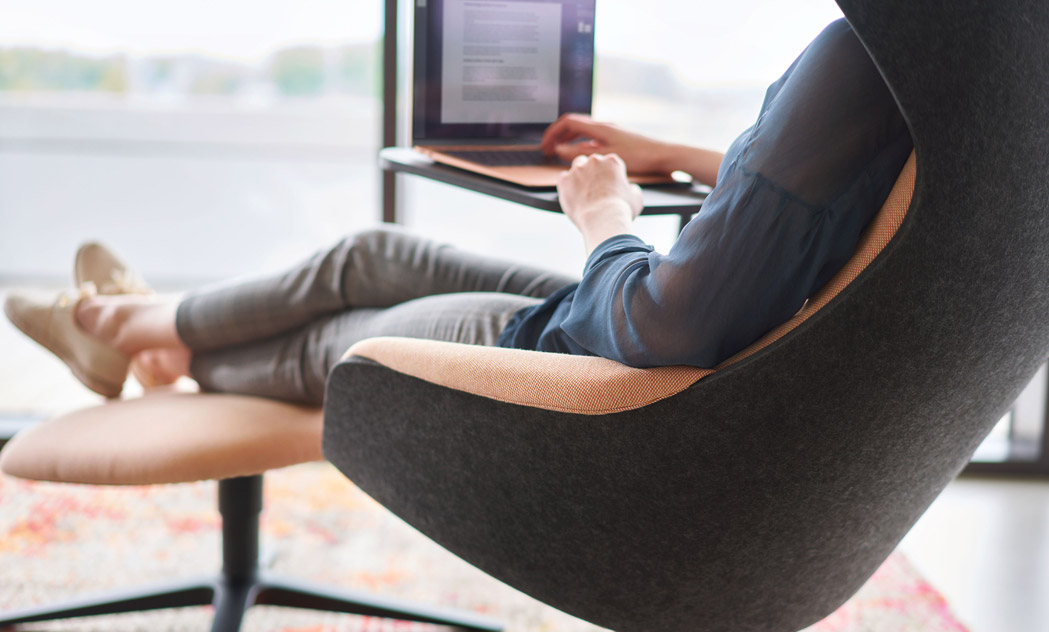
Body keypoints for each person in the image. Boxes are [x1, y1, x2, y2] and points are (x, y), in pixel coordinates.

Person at [4, 18, 912, 407]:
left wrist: (603, 214)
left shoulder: (852, 55)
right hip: (646, 330)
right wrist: (669, 155)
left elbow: (663, 325)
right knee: (367, 251)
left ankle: (121, 328)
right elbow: (812, 204)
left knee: (348, 340)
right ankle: (142, 333)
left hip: (613, 362)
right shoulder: (927, 67)